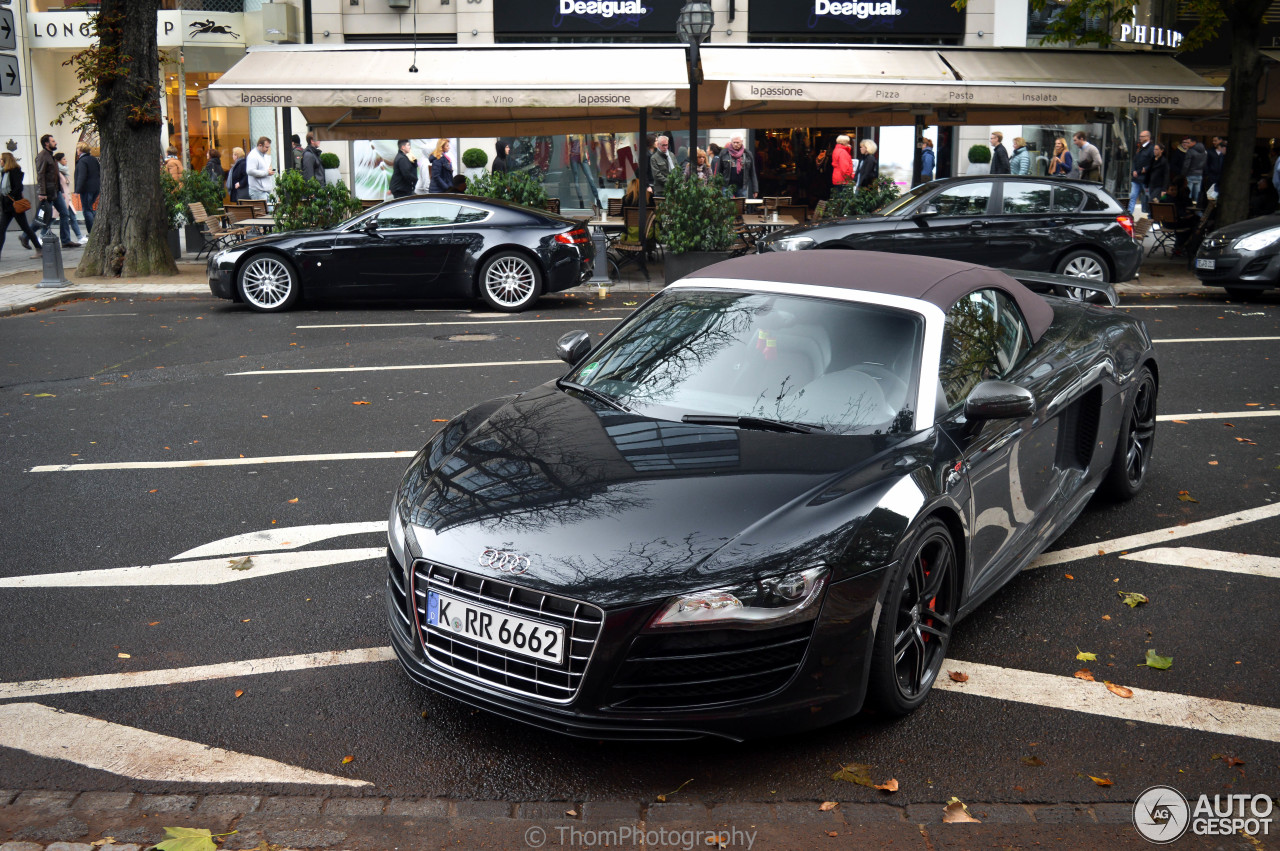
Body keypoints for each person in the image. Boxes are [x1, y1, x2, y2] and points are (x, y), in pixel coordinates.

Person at [0, 151, 42, 259]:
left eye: (1, 159)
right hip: (6, 206)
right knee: (1, 229)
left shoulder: (14, 171)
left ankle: (39, 248)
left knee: (25, 228)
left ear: (5, 161)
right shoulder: (4, 172)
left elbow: (19, 187)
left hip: (15, 205)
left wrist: (11, 198)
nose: (0, 161)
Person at [34, 134, 74, 248]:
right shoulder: (43, 156)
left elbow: (55, 175)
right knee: (44, 216)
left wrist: (61, 190)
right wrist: (42, 192)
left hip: (55, 191)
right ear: (47, 143)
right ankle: (27, 235)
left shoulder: (51, 156)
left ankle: (66, 240)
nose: (55, 142)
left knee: (64, 214)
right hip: (48, 192)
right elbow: (41, 175)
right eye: (53, 141)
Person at [53, 152, 86, 244]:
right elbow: (57, 184)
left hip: (67, 199)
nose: (66, 161)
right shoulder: (57, 172)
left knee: (72, 217)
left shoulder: (64, 172)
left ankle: (79, 236)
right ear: (59, 161)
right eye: (64, 159)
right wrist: (62, 193)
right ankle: (41, 235)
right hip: (61, 198)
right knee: (51, 218)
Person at [74, 142, 100, 235]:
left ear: (80, 150)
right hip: (96, 188)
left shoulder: (82, 161)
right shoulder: (93, 159)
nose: (77, 151)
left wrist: (77, 190)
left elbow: (82, 176)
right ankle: (96, 228)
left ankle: (91, 231)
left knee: (87, 210)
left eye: (77, 149)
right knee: (90, 209)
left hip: (86, 189)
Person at [1129, 129, 1154, 214]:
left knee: (1149, 197)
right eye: (1139, 136)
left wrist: (1145, 169)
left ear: (1147, 137)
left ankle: (1151, 215)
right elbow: (1135, 160)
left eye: (1142, 136)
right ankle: (1129, 214)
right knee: (1132, 197)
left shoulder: (1151, 148)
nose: (1140, 138)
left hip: (1145, 178)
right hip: (1136, 178)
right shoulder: (1140, 148)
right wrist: (1133, 170)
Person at [246, 137, 276, 201]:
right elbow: (250, 171)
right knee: (266, 210)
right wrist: (266, 173)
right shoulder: (253, 156)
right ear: (260, 145)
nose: (268, 149)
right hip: (258, 190)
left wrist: (269, 171)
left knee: (271, 209)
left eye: (268, 147)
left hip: (265, 190)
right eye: (266, 147)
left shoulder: (263, 155)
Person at [1182, 137, 1206, 202]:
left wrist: (1183, 174)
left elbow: (1186, 165)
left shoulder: (1190, 151)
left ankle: (1187, 207)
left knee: (1188, 193)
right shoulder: (1204, 151)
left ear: (1194, 142)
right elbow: (1204, 163)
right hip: (1199, 174)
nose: (1186, 144)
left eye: (1188, 142)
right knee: (1197, 194)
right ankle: (1197, 210)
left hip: (1190, 174)